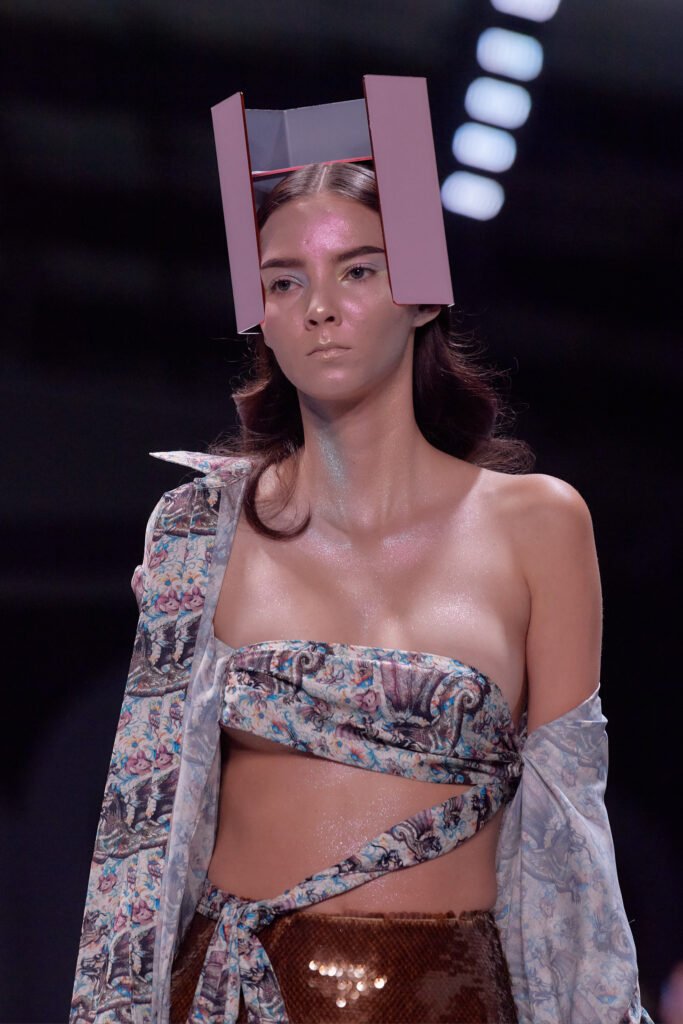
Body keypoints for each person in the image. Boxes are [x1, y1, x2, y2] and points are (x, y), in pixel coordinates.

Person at [70, 91, 653, 1024]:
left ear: (420, 294)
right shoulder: (196, 527)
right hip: (231, 997)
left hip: (449, 1000)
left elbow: (565, 834)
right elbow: (142, 837)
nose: (320, 309)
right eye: (284, 283)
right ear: (259, 314)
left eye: (358, 270)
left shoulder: (538, 523)